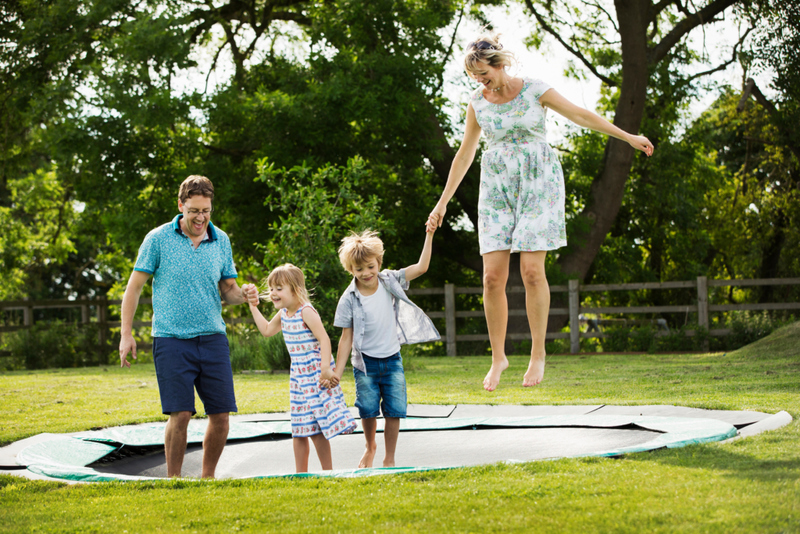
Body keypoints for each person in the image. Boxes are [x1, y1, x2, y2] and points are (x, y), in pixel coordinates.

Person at [426, 34, 654, 392]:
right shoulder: (477, 103)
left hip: (538, 181)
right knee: (492, 278)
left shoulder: (534, 90)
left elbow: (580, 115)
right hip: (497, 186)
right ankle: (498, 356)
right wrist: (442, 204)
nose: (480, 81)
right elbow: (465, 155)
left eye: (483, 73)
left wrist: (626, 136)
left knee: (532, 271)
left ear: (500, 64)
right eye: (474, 76)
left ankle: (537, 353)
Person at [118, 175, 259, 479]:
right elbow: (134, 288)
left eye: (206, 210)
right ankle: (175, 480)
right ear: (180, 205)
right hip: (171, 339)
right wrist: (126, 334)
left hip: (212, 338)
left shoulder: (220, 239)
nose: (201, 217)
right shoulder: (158, 239)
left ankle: (207, 479)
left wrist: (245, 296)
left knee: (221, 416)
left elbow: (229, 291)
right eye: (194, 210)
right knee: (180, 414)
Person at [329, 229, 439, 468]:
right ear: (350, 270)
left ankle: (389, 457)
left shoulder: (389, 280)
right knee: (367, 409)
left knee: (394, 410)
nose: (366, 273)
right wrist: (337, 371)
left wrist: (428, 234)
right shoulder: (349, 298)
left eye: (370, 266)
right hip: (364, 363)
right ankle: (370, 447)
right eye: (359, 270)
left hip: (392, 360)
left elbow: (421, 268)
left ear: (378, 262)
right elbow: (345, 338)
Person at [246, 263, 356, 473]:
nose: (273, 293)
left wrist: (325, 368)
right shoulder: (285, 314)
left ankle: (328, 472)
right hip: (298, 379)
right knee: (299, 429)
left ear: (295, 290)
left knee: (316, 430)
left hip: (315, 376)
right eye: (272, 289)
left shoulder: (306, 311)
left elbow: (324, 339)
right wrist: (253, 307)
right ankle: (301, 473)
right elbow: (267, 330)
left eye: (279, 288)